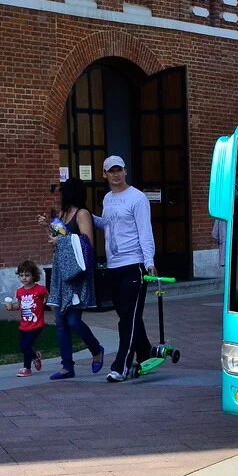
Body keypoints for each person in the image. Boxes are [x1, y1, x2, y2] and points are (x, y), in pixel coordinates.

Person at [94, 155, 156, 383]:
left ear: (125, 171)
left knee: (127, 319)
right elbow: (107, 224)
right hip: (114, 266)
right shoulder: (108, 199)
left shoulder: (137, 198)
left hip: (134, 265)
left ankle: (121, 365)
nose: (116, 175)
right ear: (104, 174)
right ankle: (146, 351)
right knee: (128, 316)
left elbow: (144, 231)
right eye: (111, 171)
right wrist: (86, 217)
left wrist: (149, 261)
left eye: (119, 170)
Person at [38, 178, 105, 380]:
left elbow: (86, 243)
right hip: (61, 272)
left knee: (74, 321)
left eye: (62, 191)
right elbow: (57, 240)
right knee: (60, 321)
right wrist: (47, 226)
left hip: (76, 274)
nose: (60, 195)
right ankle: (67, 366)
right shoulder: (62, 214)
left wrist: (60, 239)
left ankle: (96, 349)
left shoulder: (82, 214)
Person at [7, 260, 47, 378]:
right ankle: (35, 356)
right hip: (24, 324)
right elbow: (19, 306)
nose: (24, 278)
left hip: (36, 324)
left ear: (34, 276)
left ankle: (27, 368)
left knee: (25, 346)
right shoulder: (19, 292)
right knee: (25, 347)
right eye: (21, 275)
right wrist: (10, 307)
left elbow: (47, 300)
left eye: (27, 275)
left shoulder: (40, 290)